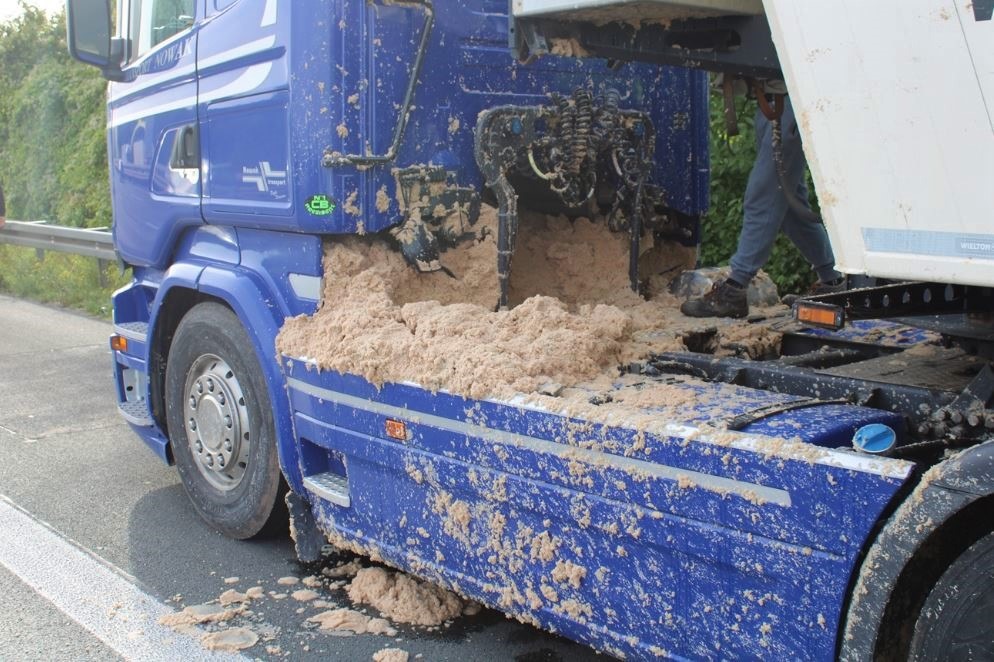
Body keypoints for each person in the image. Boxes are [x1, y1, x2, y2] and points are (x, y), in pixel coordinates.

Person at [680, 94, 842, 319]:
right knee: (791, 208)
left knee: (763, 196)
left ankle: (734, 290)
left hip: (787, 100)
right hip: (772, 101)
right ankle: (833, 282)